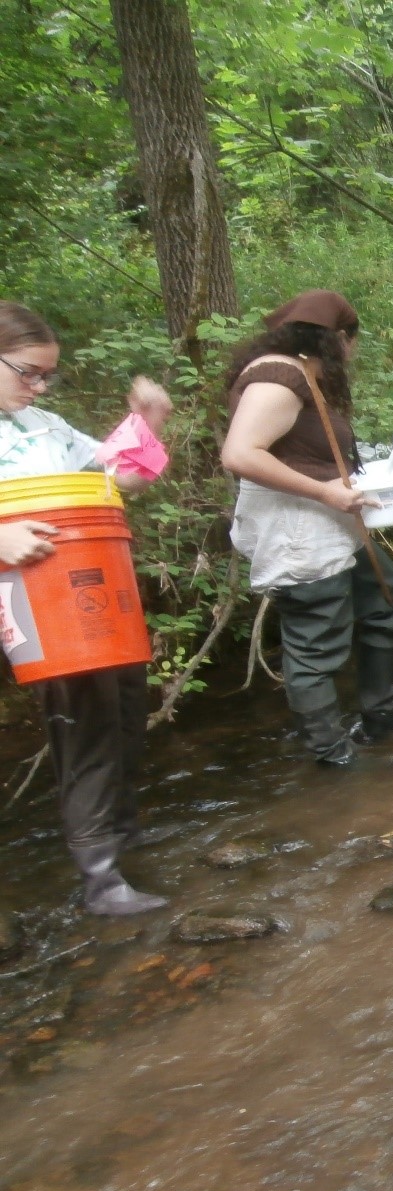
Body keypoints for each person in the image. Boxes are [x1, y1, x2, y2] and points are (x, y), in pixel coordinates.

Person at [0, 301, 173, 914]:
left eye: (47, 374)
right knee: (84, 718)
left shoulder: (41, 424)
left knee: (123, 701)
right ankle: (100, 879)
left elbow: (118, 479)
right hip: (25, 599)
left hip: (81, 579)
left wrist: (145, 421)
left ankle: (120, 833)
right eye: (27, 371)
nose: (39, 385)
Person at [221, 291, 393, 767]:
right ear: (337, 337)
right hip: (297, 526)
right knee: (314, 641)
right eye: (352, 340)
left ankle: (380, 715)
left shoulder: (298, 373)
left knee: (389, 604)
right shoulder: (278, 376)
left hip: (327, 520)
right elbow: (240, 454)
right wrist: (326, 493)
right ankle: (330, 753)